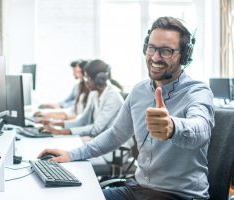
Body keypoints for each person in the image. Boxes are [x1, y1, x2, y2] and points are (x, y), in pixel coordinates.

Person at [38, 16, 215, 200]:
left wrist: (172, 127)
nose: (155, 57)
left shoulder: (198, 91)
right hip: (139, 190)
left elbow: (200, 130)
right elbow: (116, 134)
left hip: (179, 196)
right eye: (152, 48)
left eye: (166, 51)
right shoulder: (139, 91)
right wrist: (71, 154)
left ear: (184, 56)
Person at [38, 59, 124, 137]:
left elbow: (96, 129)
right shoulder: (94, 94)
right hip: (100, 139)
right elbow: (82, 121)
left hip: (115, 146)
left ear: (98, 80)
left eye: (87, 78)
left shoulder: (113, 97)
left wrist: (61, 131)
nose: (85, 81)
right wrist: (55, 124)